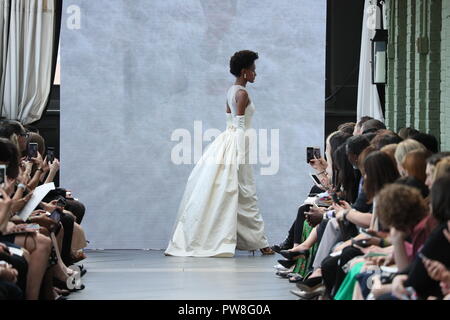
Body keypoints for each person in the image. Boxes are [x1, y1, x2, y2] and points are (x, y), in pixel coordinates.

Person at [165, 50, 273, 257]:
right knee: (245, 191)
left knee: (238, 192)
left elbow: (229, 122)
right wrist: (240, 154)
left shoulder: (230, 92)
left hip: (229, 140)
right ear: (244, 72)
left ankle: (258, 242)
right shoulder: (242, 93)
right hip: (237, 144)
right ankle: (260, 243)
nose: (255, 74)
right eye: (253, 70)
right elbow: (239, 125)